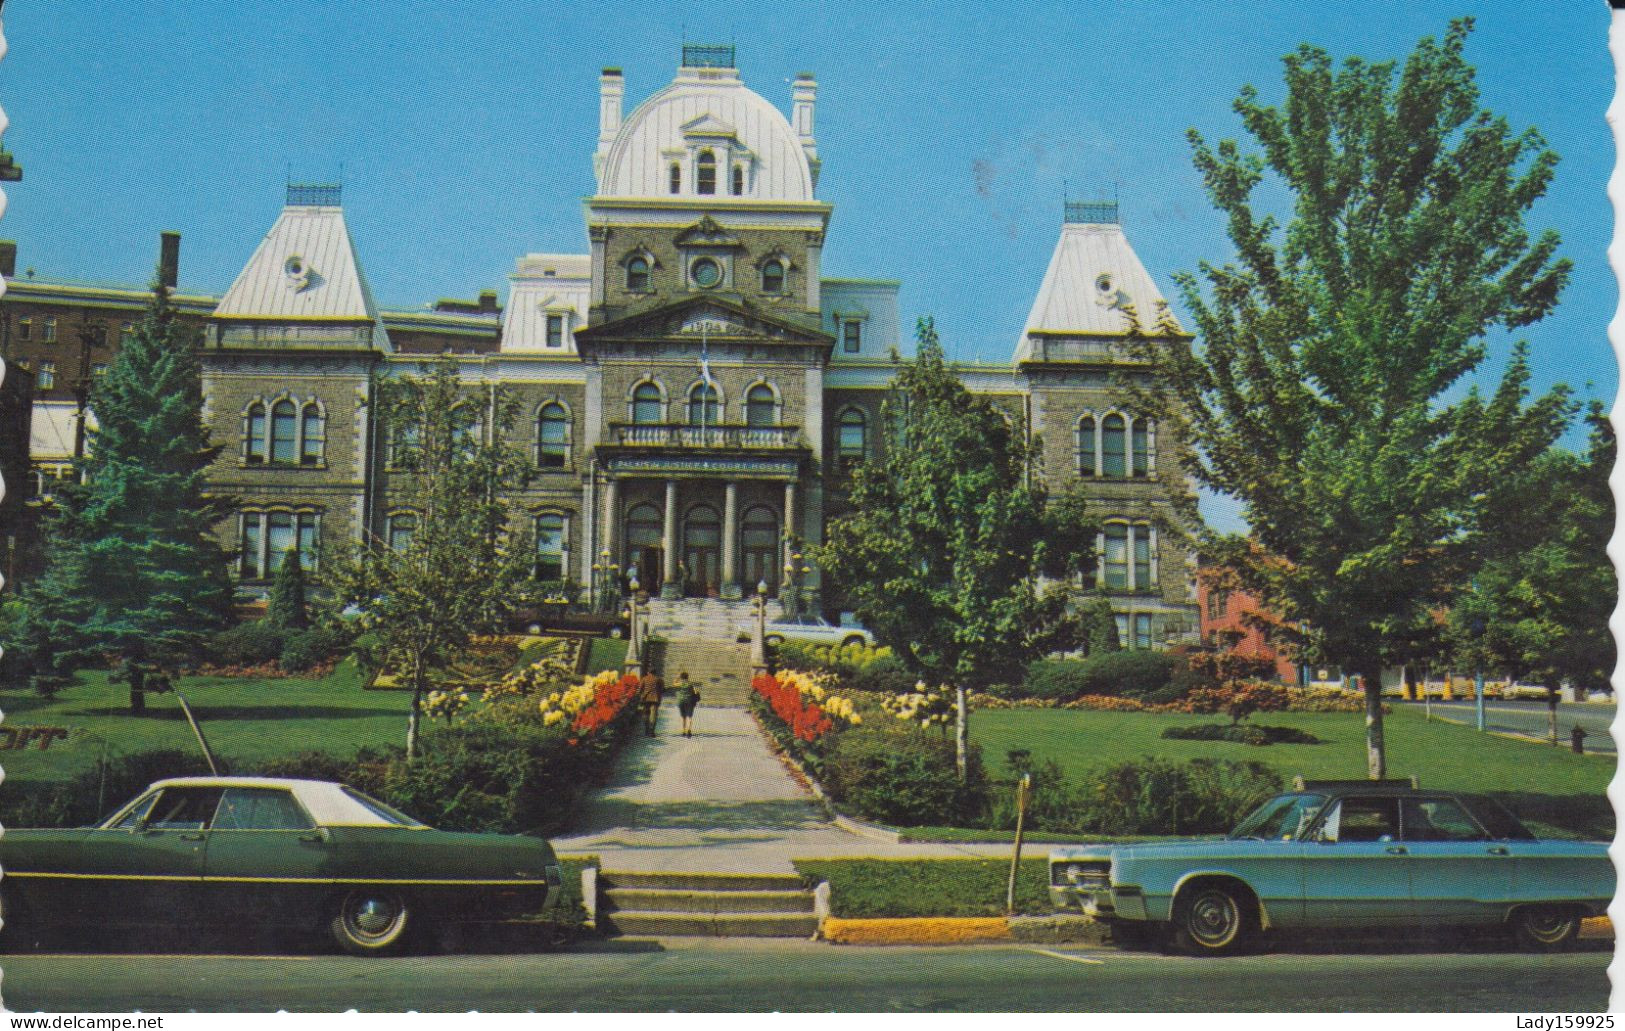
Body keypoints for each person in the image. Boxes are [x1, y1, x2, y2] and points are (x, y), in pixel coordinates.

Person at [637, 669, 664, 737]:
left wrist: (640, 696)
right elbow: (662, 689)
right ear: (655, 672)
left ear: (648, 672)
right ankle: (652, 731)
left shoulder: (644, 679)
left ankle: (646, 730)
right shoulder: (659, 679)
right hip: (655, 699)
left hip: (646, 699)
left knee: (646, 714)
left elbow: (639, 689)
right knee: (653, 715)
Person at [674, 672, 701, 738]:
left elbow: (674, 683)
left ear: (681, 677)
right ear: (687, 677)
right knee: (690, 717)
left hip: (681, 701)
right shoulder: (691, 684)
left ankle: (683, 731)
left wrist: (677, 677)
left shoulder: (680, 684)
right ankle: (689, 731)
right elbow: (696, 692)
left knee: (683, 717)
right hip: (689, 702)